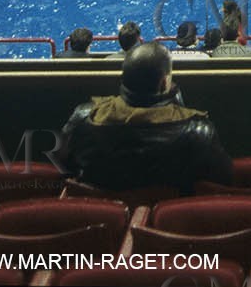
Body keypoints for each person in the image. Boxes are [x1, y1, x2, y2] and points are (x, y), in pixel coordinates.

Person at [58, 42, 232, 195]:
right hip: (167, 217)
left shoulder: (85, 116)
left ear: (123, 77)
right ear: (164, 82)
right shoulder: (199, 131)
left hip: (103, 216)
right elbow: (222, 177)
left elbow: (63, 164)